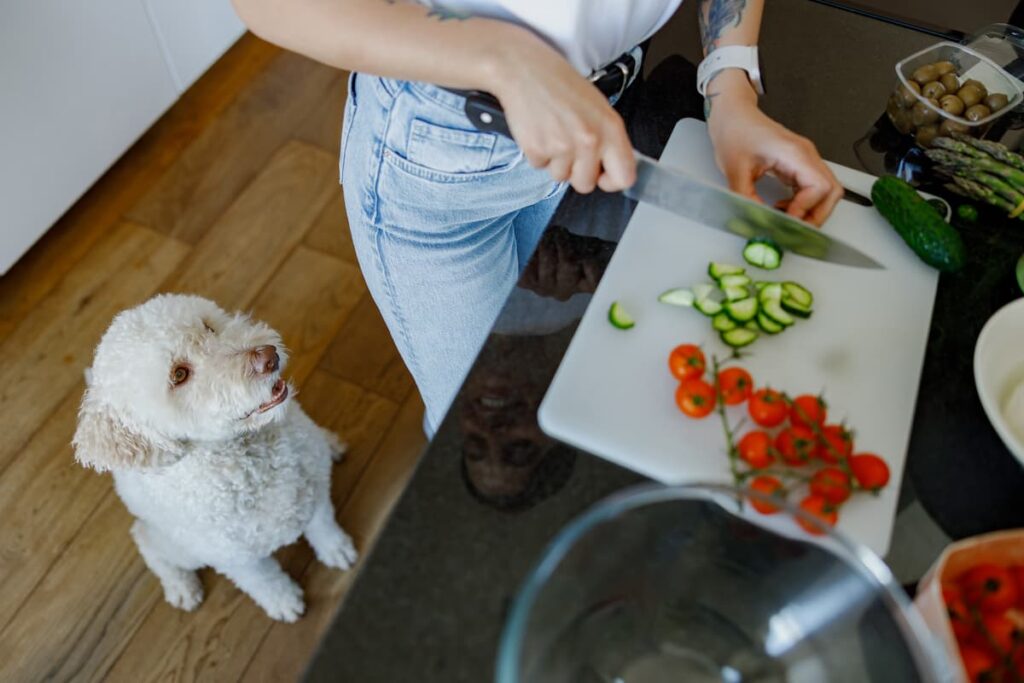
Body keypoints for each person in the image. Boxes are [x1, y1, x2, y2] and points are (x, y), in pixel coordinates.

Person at [230, 0, 843, 434]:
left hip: (596, 113)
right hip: (439, 150)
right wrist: (505, 57)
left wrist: (730, 87)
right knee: (461, 419)